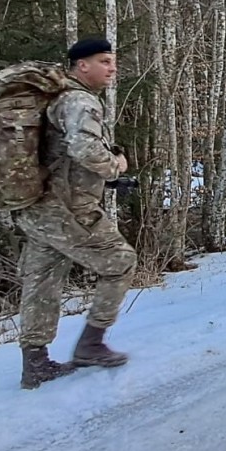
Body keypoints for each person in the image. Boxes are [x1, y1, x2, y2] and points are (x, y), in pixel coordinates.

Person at [16, 37, 137, 389]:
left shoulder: (56, 98)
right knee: (121, 262)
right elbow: (84, 148)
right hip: (67, 211)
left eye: (112, 61)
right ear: (82, 65)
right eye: (104, 61)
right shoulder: (79, 100)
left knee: (41, 281)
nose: (112, 68)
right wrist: (115, 166)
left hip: (38, 207)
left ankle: (35, 363)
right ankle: (91, 344)